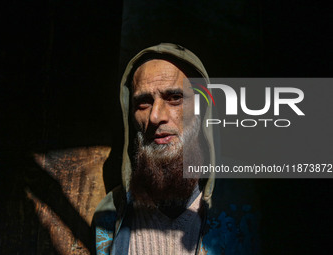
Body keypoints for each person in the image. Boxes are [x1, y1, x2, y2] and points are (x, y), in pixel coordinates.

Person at [93, 43, 260, 255]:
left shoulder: (242, 199)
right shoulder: (109, 215)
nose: (155, 116)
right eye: (143, 103)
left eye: (174, 98)